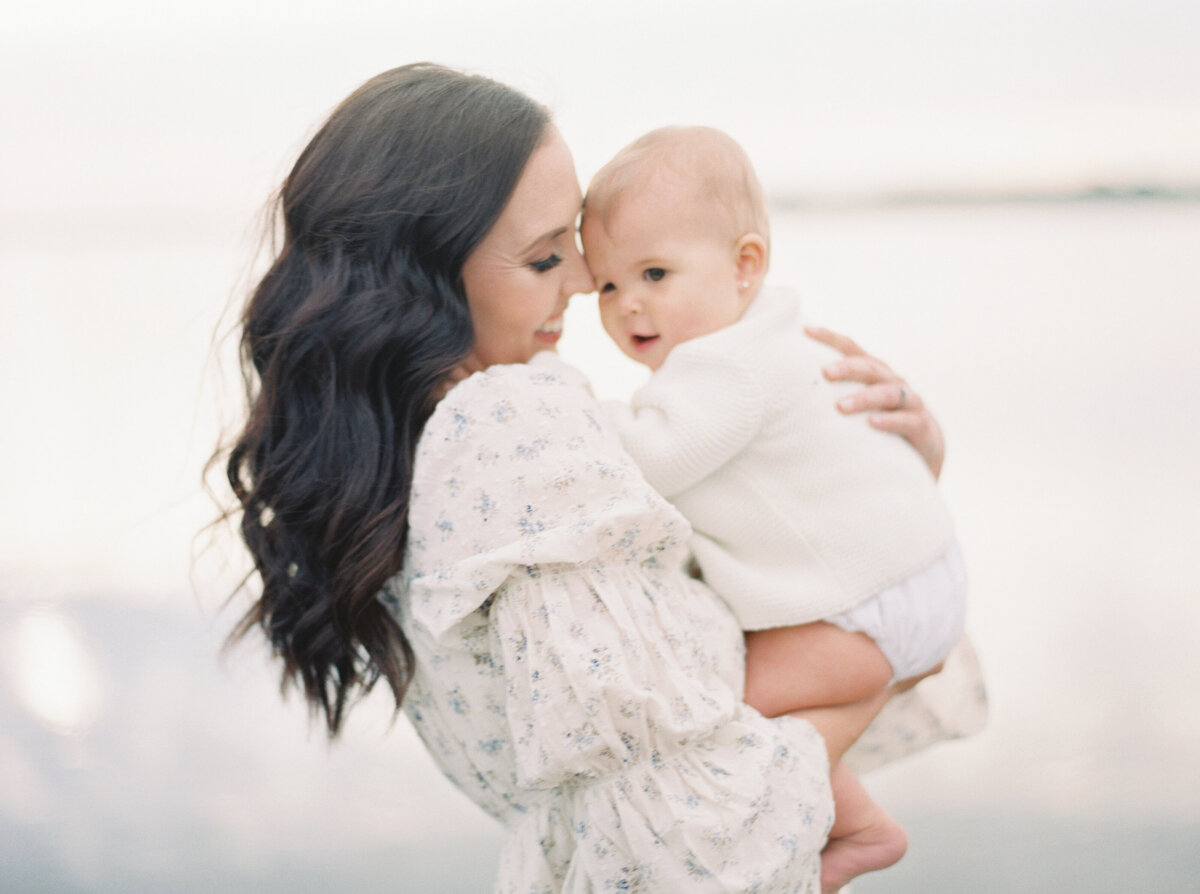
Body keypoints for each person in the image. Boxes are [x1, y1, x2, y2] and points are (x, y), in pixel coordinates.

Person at [217, 63, 975, 893]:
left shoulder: (392, 462)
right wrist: (889, 643)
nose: (586, 283)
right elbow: (681, 819)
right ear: (426, 276)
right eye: (548, 257)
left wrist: (873, 461)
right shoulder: (507, 423)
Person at [578, 125, 970, 890]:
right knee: (778, 728)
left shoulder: (726, 370)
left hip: (868, 608)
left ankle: (856, 829)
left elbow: (646, 456)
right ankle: (855, 824)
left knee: (705, 717)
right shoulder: (779, 338)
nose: (629, 305)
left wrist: (558, 406)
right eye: (608, 286)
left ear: (744, 264)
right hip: (923, 578)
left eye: (655, 272)